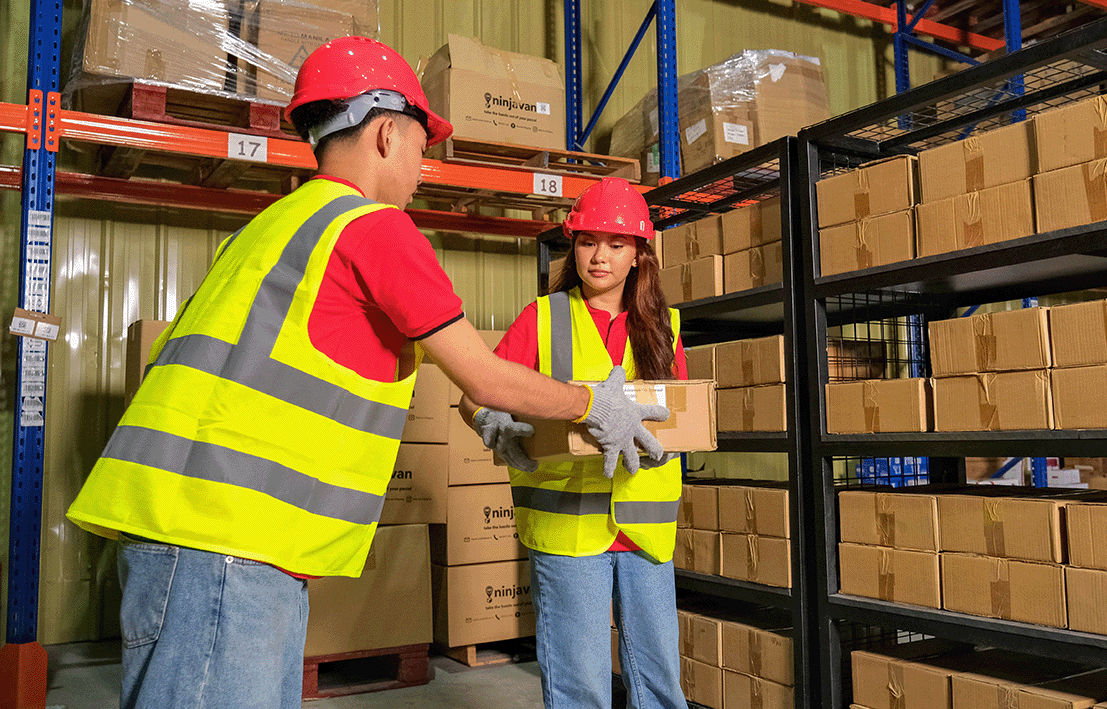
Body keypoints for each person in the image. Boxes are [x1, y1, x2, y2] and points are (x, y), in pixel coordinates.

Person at [65, 37, 668, 709]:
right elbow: (484, 374)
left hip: (182, 538)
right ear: (385, 134)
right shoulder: (373, 229)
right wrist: (594, 402)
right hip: (227, 546)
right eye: (420, 149)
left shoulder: (271, 226)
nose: (422, 170)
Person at [461, 176, 690, 709]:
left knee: (661, 686)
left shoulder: (664, 328)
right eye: (587, 241)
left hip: (645, 534)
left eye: (616, 244)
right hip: (568, 532)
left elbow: (683, 419)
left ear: (639, 255)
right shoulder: (541, 318)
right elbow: (477, 393)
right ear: (573, 247)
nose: (599, 257)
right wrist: (489, 420)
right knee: (578, 688)